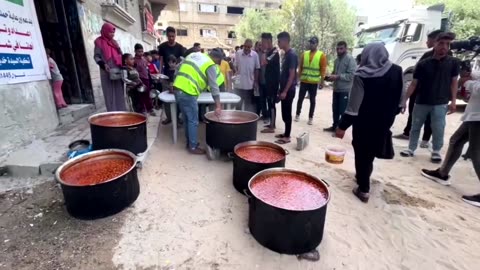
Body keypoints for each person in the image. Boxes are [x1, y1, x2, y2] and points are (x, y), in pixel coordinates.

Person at [335, 43, 404, 203]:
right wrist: (390, 114)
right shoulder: (397, 70)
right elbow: (401, 98)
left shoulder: (362, 74)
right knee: (371, 151)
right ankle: (362, 176)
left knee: (362, 152)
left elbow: (353, 106)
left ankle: (363, 189)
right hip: (385, 120)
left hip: (364, 121)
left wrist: (342, 126)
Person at [420, 71, 480, 207]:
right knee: (456, 140)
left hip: (478, 116)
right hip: (474, 114)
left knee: (476, 153)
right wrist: (471, 76)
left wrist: (467, 82)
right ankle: (442, 173)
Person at [400, 32, 459, 163]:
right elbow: (414, 83)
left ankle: (436, 151)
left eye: (447, 44)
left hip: (441, 102)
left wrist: (453, 101)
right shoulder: (423, 63)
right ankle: (411, 148)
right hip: (422, 101)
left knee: (438, 127)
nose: (444, 46)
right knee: (415, 126)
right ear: (435, 44)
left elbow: (454, 82)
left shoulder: (453, 63)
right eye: (441, 43)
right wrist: (405, 100)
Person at [393, 30, 451, 147]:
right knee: (415, 116)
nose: (426, 42)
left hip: (437, 95)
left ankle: (426, 140)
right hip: (420, 91)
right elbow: (416, 75)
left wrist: (452, 99)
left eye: (429, 39)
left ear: (435, 41)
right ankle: (409, 135)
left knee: (434, 120)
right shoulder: (427, 56)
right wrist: (405, 99)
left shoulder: (449, 59)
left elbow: (452, 80)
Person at [173, 49, 224, 155]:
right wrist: (218, 105)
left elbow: (177, 68)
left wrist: (174, 83)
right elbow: (214, 87)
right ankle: (192, 146)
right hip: (188, 92)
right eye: (219, 61)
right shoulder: (210, 65)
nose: (218, 64)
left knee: (187, 119)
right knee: (193, 121)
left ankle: (190, 143)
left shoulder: (194, 55)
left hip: (177, 89)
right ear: (217, 58)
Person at [324, 41, 356, 131]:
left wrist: (338, 76)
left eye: (341, 48)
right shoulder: (336, 60)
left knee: (342, 110)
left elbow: (352, 75)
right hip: (336, 89)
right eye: (337, 49)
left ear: (346, 48)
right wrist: (330, 76)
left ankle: (340, 129)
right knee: (335, 110)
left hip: (345, 90)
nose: (339, 50)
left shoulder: (350, 59)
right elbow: (335, 72)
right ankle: (334, 126)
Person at [94, 22, 126, 111]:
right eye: (110, 32)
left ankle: (121, 111)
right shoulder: (99, 42)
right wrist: (103, 65)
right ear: (105, 31)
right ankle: (112, 112)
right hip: (106, 71)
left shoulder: (114, 42)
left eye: (113, 32)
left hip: (117, 69)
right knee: (109, 92)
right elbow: (96, 56)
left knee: (119, 91)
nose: (112, 34)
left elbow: (120, 54)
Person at [295, 37, 327, 125]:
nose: (311, 44)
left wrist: (322, 81)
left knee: (312, 100)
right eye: (310, 43)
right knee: (300, 99)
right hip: (304, 81)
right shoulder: (304, 54)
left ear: (317, 44)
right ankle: (297, 114)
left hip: (313, 82)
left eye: (313, 43)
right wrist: (298, 78)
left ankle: (310, 117)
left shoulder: (321, 55)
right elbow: (300, 67)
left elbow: (323, 69)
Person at [158, 26, 187, 124]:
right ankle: (169, 117)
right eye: (169, 36)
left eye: (173, 36)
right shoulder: (162, 47)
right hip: (166, 75)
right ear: (166, 35)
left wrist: (177, 67)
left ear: (175, 36)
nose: (171, 38)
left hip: (177, 76)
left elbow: (182, 60)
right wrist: (159, 73)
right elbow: (161, 60)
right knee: (166, 97)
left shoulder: (180, 47)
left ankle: (177, 117)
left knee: (177, 96)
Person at [274, 32, 297, 145]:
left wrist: (285, 91)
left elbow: (292, 75)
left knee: (287, 113)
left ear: (285, 41)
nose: (278, 43)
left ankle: (287, 136)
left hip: (289, 90)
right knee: (284, 112)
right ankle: (285, 133)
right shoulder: (286, 55)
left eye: (279, 41)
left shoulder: (292, 55)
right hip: (284, 89)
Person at [259, 33, 280, 133]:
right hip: (268, 82)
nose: (262, 44)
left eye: (263, 42)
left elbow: (263, 62)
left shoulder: (274, 52)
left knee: (271, 103)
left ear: (268, 41)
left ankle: (272, 127)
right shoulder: (270, 52)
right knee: (269, 102)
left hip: (273, 83)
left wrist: (263, 51)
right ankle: (272, 123)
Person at [234, 39, 260, 112]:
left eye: (248, 47)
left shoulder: (255, 55)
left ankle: (246, 121)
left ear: (251, 47)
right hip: (239, 84)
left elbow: (257, 68)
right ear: (244, 45)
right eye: (245, 46)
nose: (246, 48)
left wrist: (255, 81)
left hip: (249, 84)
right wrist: (236, 74)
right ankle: (237, 120)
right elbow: (235, 65)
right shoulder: (238, 53)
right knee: (238, 105)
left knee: (248, 105)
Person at [133, 43, 155, 116]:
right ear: (135, 51)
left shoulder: (144, 59)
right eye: (139, 51)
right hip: (139, 80)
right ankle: (142, 109)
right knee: (141, 95)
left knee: (147, 94)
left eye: (142, 51)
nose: (141, 53)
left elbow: (147, 68)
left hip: (146, 79)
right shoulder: (134, 61)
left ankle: (150, 109)